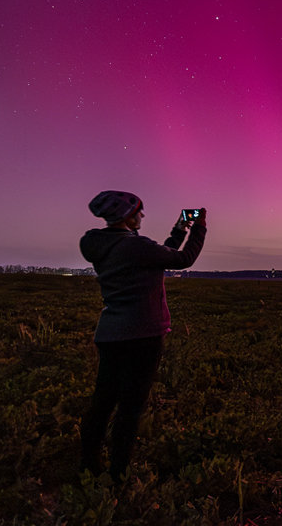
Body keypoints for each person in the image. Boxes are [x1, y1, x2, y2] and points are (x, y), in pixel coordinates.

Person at [78, 190, 206, 480]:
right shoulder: (136, 247)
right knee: (130, 408)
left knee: (103, 401)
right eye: (139, 211)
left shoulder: (104, 244)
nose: (143, 215)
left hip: (111, 333)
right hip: (142, 334)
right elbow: (182, 258)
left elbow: (159, 256)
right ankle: (117, 475)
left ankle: (87, 466)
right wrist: (199, 227)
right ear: (127, 214)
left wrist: (179, 229)